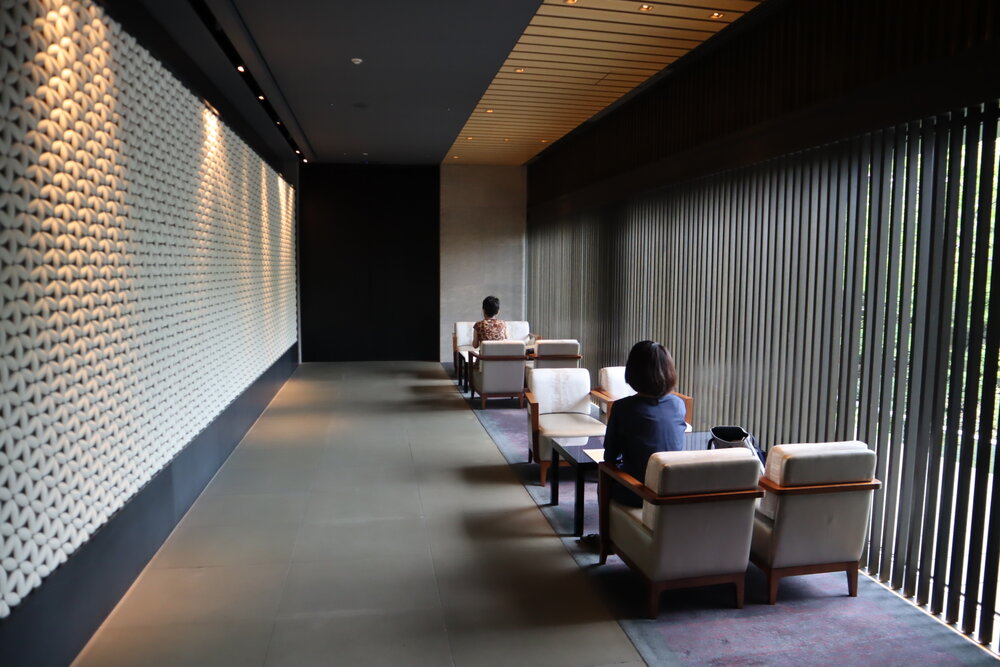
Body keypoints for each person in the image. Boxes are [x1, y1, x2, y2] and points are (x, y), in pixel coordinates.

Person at [603, 340, 687, 507]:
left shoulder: (623, 408)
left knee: (604, 474)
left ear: (633, 372)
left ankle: (606, 532)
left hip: (639, 492)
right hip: (672, 490)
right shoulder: (678, 404)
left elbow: (610, 456)